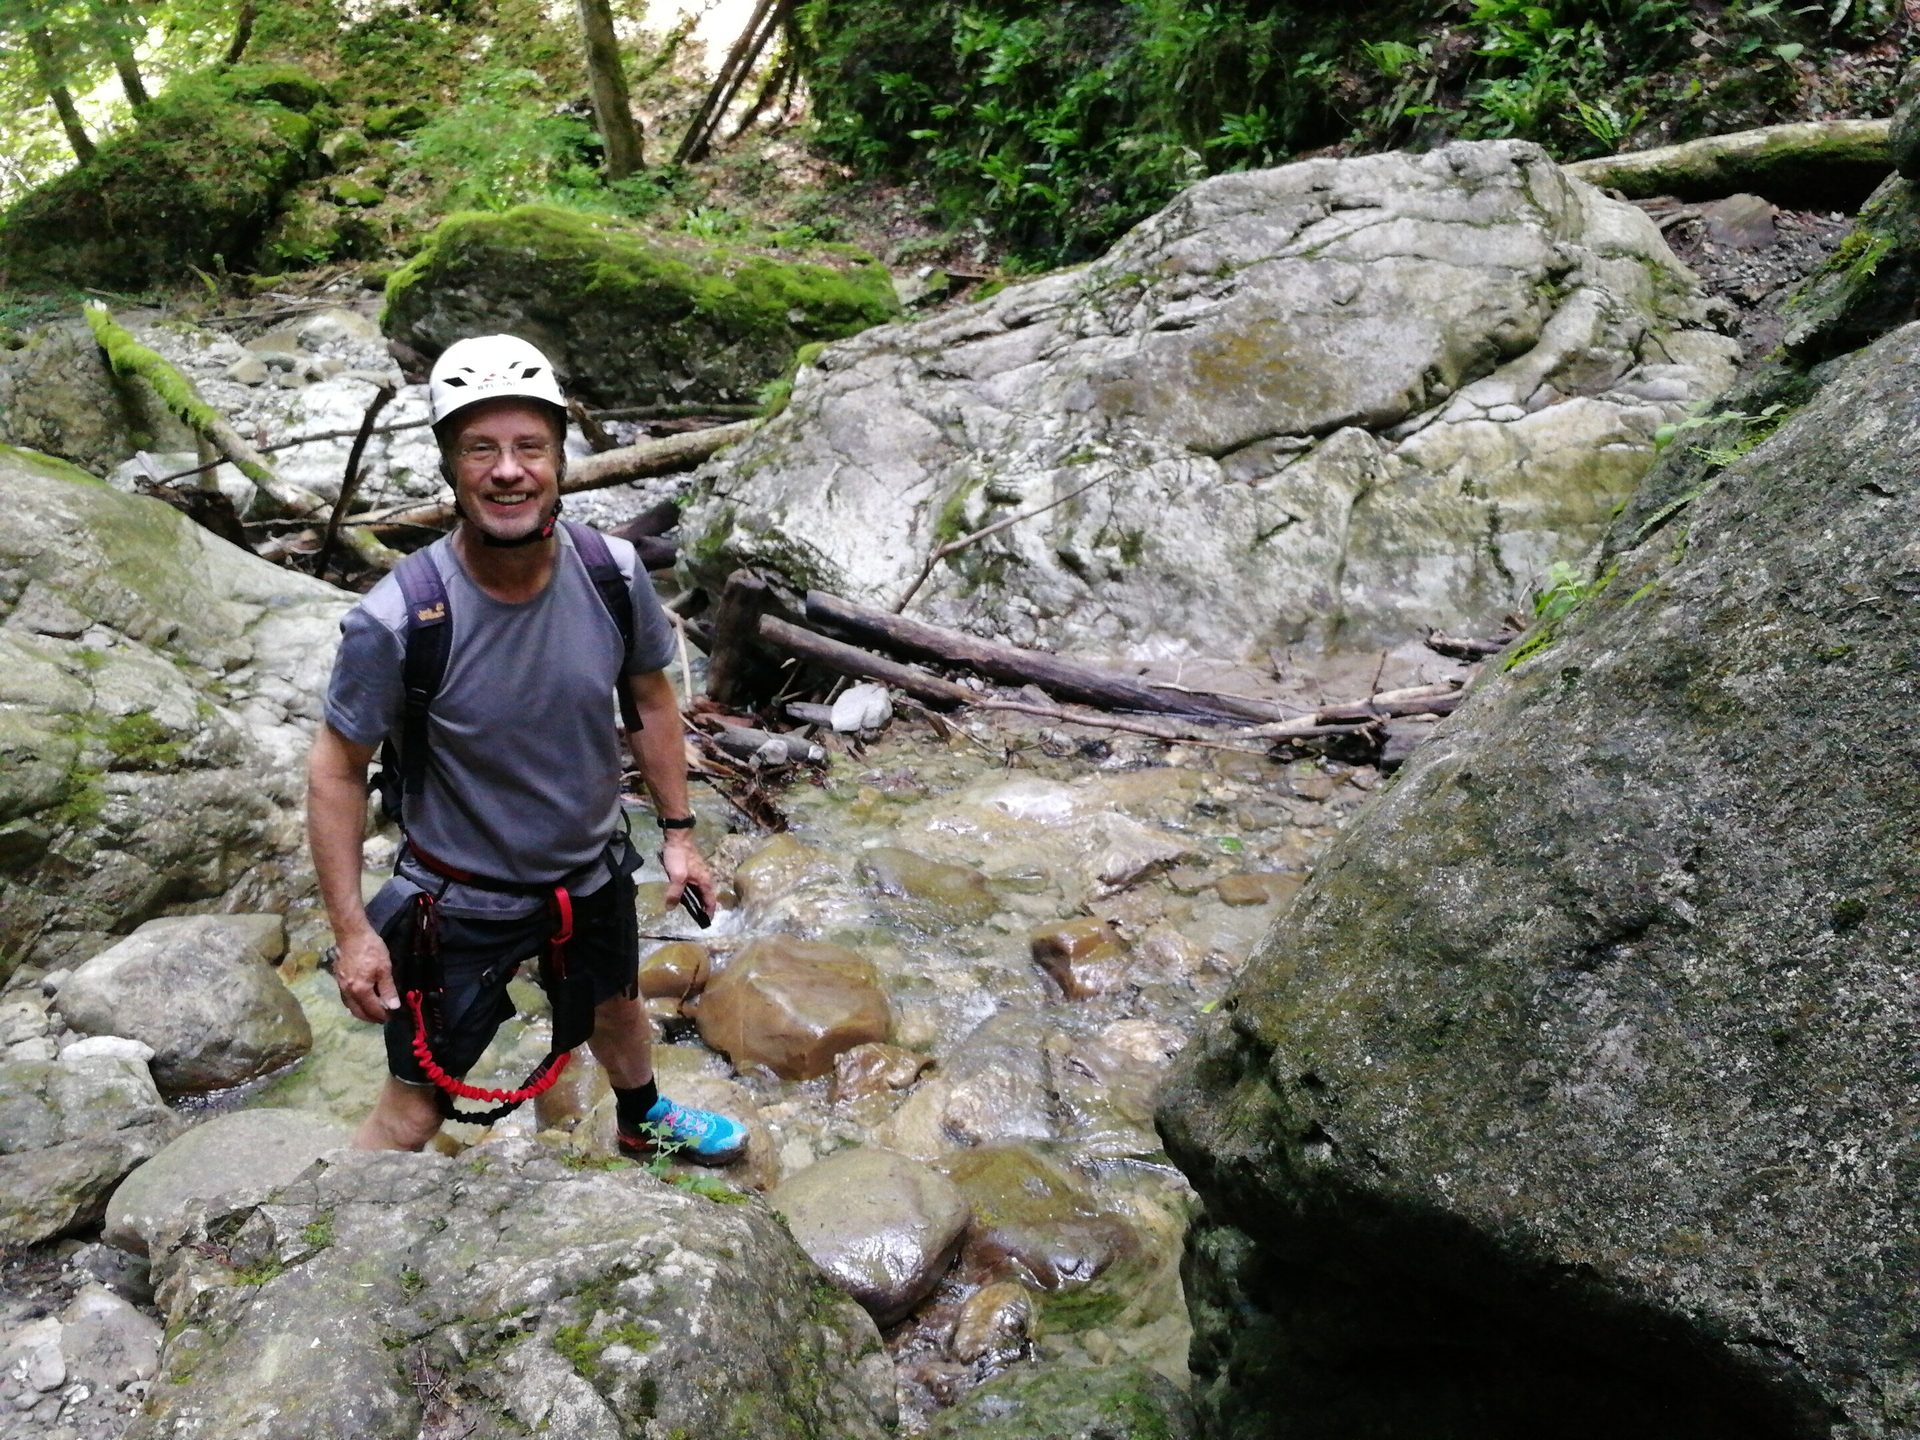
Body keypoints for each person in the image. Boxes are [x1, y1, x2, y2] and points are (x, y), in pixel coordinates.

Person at [306, 333, 745, 1163]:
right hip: (459, 899)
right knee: (414, 1108)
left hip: (589, 872)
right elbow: (336, 767)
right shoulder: (398, 618)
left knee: (616, 1004)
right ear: (450, 466)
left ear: (558, 459)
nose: (507, 469)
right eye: (481, 448)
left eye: (527, 447)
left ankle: (640, 1117)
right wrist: (353, 930)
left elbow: (651, 698)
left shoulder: (613, 575)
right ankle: (319, 1236)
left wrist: (680, 836)